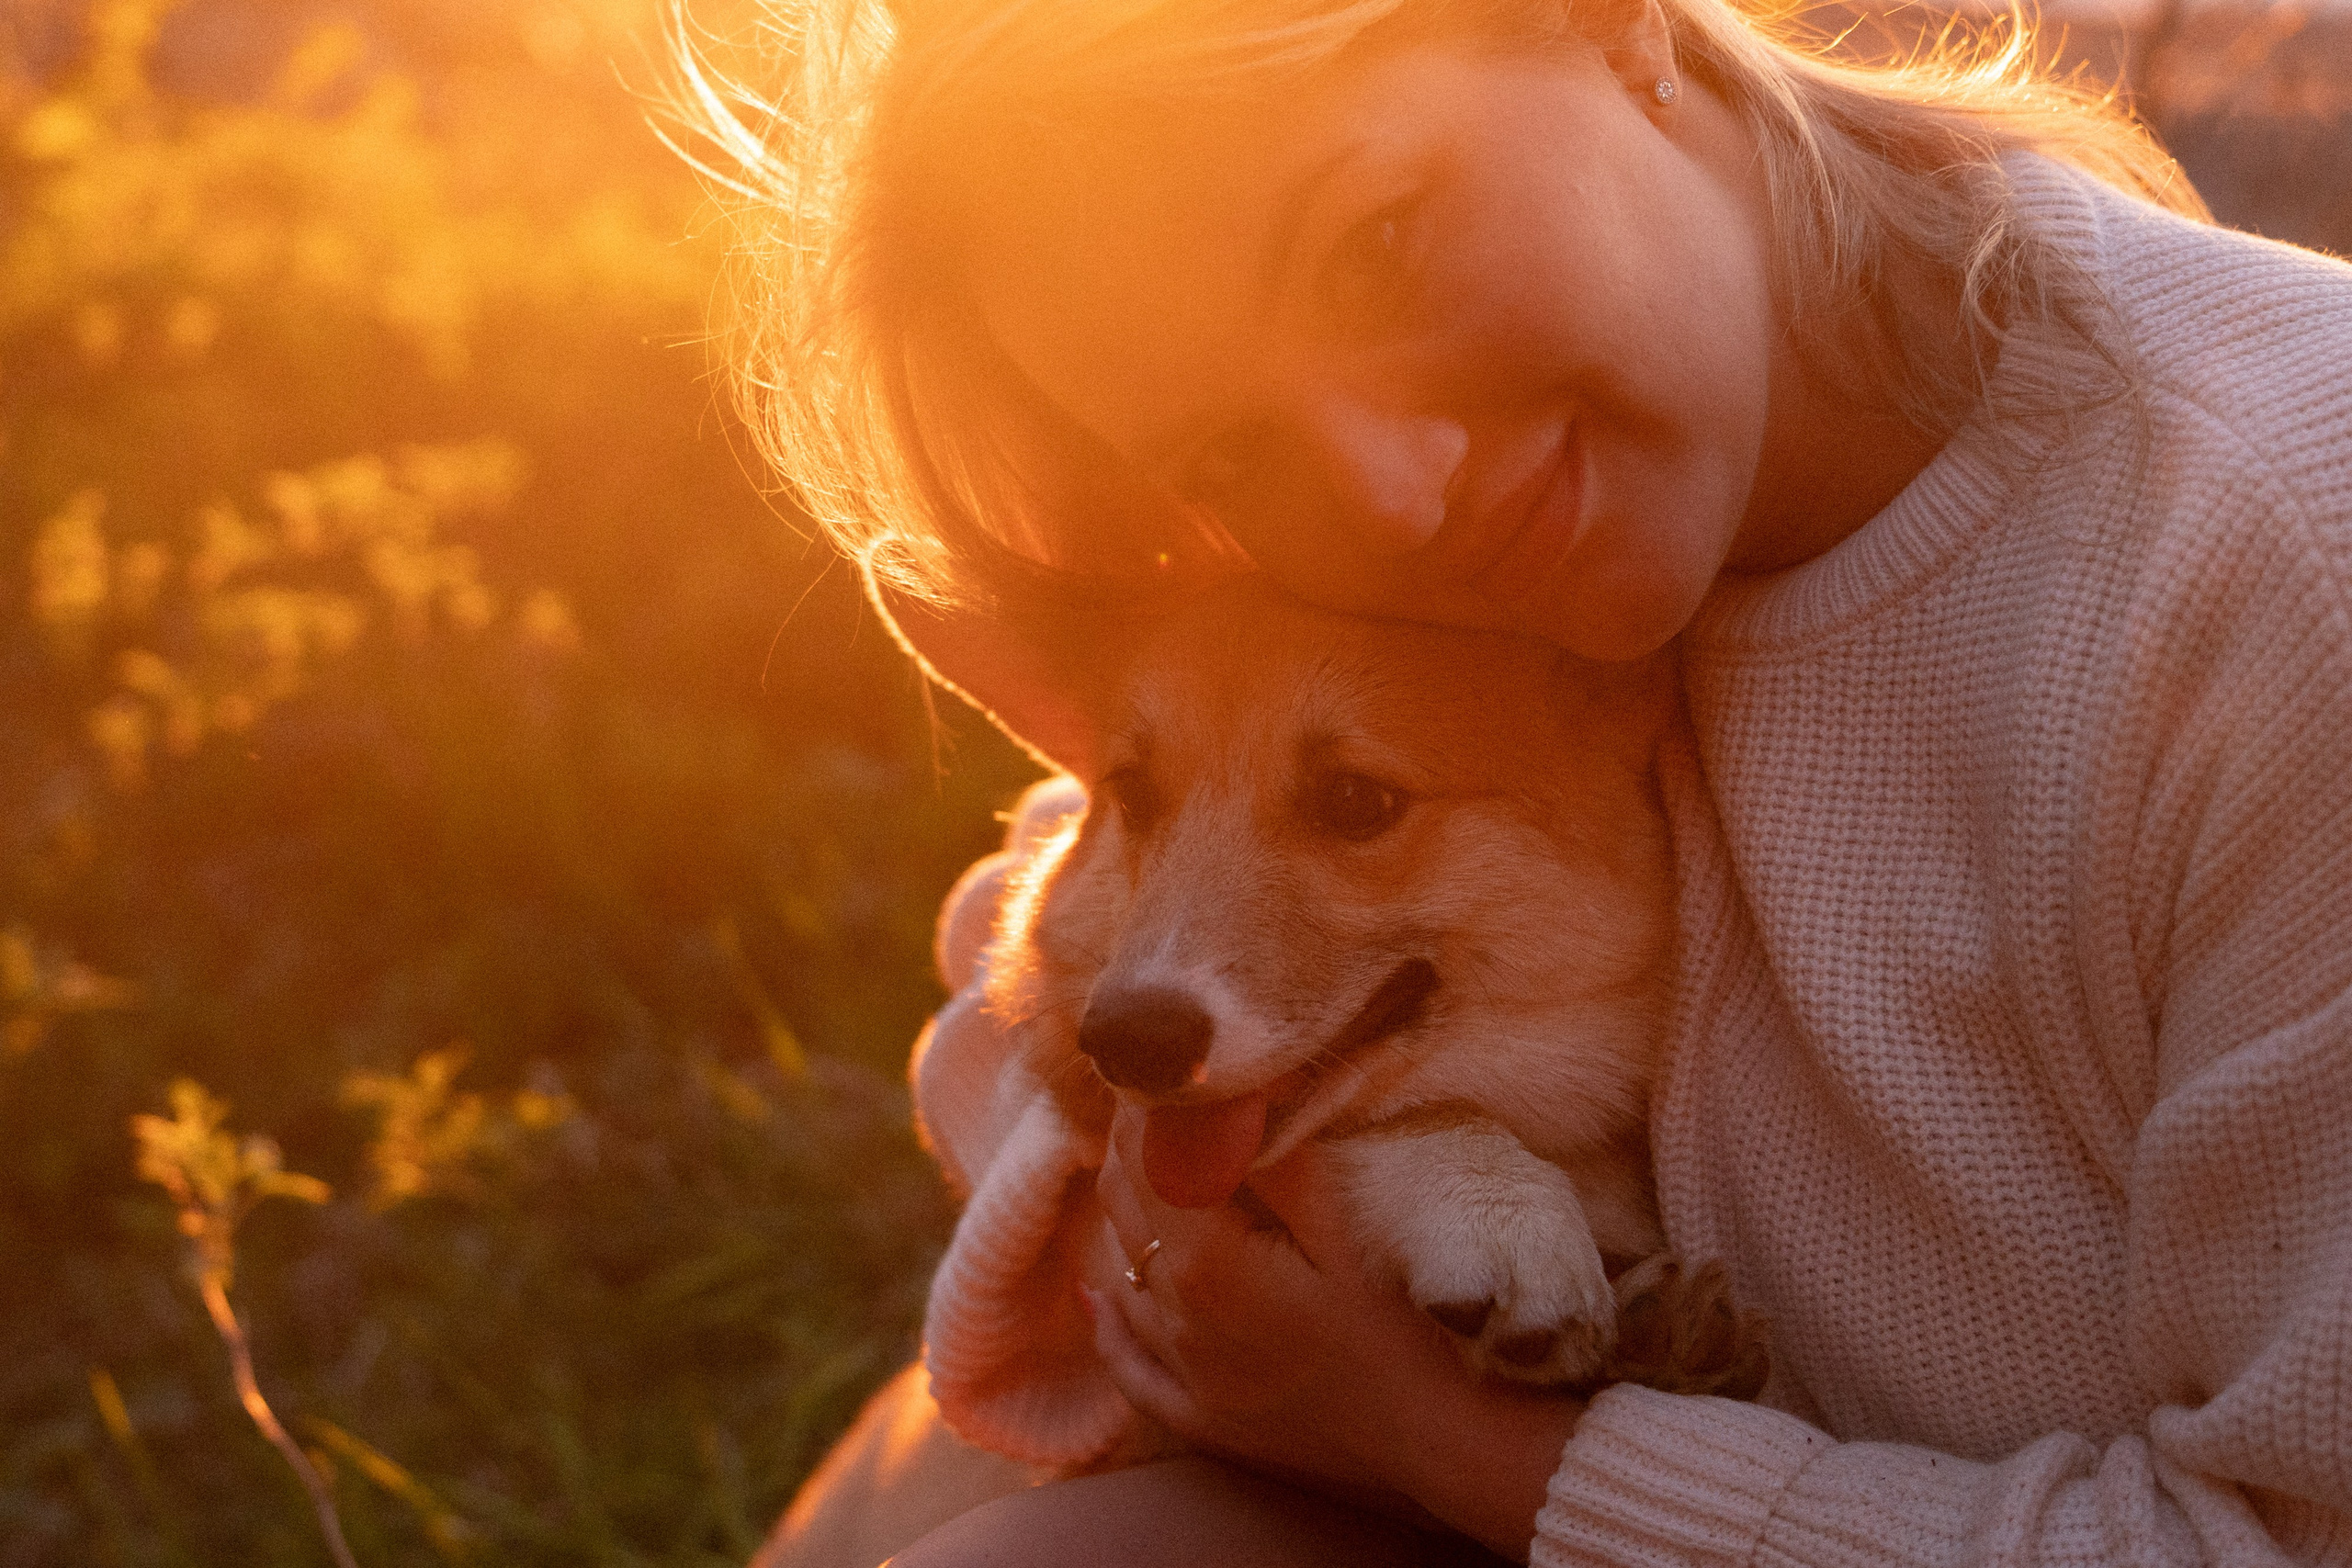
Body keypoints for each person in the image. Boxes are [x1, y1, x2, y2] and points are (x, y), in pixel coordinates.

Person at [684, 0, 2352, 1561]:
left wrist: (1449, 1444)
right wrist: (1232, 1186)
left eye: (1374, 247)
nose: (1391, 492)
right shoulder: (1537, 535)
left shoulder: (2281, 563)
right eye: (1228, 452)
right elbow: (1090, 917)